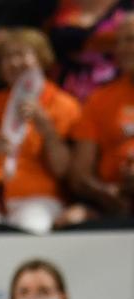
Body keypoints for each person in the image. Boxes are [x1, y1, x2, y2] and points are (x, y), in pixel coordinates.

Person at [0, 29, 80, 234]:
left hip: (38, 197)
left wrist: (46, 128)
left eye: (21, 54)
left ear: (41, 58)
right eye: (7, 57)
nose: (14, 62)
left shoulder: (63, 104)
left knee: (33, 226)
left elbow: (63, 170)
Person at [69, 15, 134, 217]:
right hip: (114, 202)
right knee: (71, 218)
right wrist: (106, 193)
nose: (122, 49)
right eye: (118, 42)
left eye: (131, 39)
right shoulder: (99, 99)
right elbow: (80, 175)